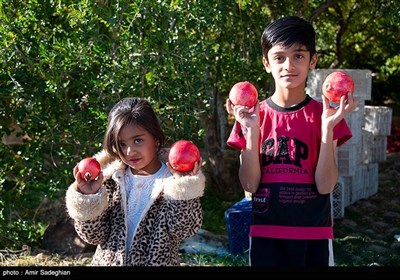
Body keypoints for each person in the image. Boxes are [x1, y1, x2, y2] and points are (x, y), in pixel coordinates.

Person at [226, 15, 356, 267]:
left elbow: (325, 186)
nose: (289, 65)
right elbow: (250, 185)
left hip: (314, 235)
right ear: (266, 63)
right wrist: (251, 132)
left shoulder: (325, 115)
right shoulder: (251, 116)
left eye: (298, 56)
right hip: (266, 234)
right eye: (279, 57)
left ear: (313, 60)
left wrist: (327, 130)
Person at [65, 97, 205, 266]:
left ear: (156, 139)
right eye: (122, 144)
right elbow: (95, 236)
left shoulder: (171, 182)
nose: (130, 151)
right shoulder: (111, 180)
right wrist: (89, 197)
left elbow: (183, 230)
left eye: (138, 140)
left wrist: (184, 187)